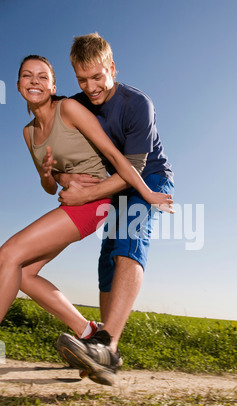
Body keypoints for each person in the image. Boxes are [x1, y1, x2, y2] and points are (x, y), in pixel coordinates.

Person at [0, 55, 173, 361]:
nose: (35, 81)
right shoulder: (29, 133)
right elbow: (51, 185)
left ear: (54, 86)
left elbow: (119, 157)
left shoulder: (77, 107)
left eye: (43, 76)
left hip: (114, 190)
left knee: (8, 255)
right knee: (23, 272)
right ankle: (89, 333)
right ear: (17, 85)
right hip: (86, 197)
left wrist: (147, 192)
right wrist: (51, 175)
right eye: (27, 76)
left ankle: (106, 345)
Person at [56, 33, 175, 386]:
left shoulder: (138, 104)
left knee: (128, 244)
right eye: (81, 79)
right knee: (106, 260)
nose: (90, 87)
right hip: (114, 187)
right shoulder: (76, 105)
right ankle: (101, 352)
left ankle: (108, 343)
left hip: (148, 180)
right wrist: (62, 175)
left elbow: (133, 170)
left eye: (97, 77)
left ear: (112, 68)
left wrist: (82, 197)